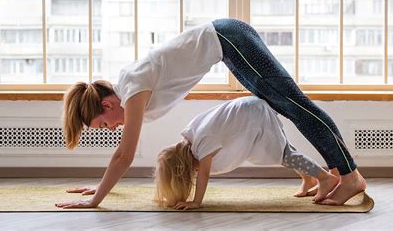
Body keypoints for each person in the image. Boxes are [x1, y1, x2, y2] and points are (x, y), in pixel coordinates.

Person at [55, 18, 365, 209]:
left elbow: (125, 154)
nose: (111, 128)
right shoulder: (131, 87)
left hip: (229, 38)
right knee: (289, 106)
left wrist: (96, 200)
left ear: (107, 105)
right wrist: (101, 185)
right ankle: (333, 175)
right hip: (228, 44)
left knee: (295, 106)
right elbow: (122, 154)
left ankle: (349, 176)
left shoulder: (133, 90)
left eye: (102, 124)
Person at [154, 96, 339, 210]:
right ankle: (308, 179)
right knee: (284, 150)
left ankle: (325, 178)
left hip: (254, 115)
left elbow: (204, 173)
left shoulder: (202, 145)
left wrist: (196, 202)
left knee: (283, 154)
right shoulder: (191, 136)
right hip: (250, 111)